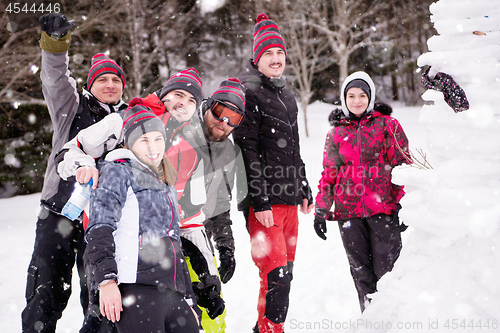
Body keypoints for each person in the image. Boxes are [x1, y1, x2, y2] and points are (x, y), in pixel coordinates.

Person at [57, 73, 247, 333]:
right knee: (102, 319)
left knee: (203, 317)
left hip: (161, 258)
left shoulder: (189, 142)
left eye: (191, 99)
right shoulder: (123, 121)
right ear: (164, 93)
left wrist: (206, 275)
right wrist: (86, 166)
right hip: (113, 248)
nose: (183, 103)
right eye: (178, 95)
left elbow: (190, 215)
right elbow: (69, 151)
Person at [22, 13, 128, 333]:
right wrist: (55, 45)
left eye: (116, 80)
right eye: (102, 79)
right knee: (45, 296)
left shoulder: (129, 120)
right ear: (91, 85)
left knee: (100, 303)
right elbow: (55, 78)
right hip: (60, 214)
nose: (110, 84)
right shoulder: (73, 106)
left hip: (102, 222)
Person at [84, 100, 199, 332]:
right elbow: (100, 227)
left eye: (158, 138)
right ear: (130, 143)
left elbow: (173, 242)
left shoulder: (163, 181)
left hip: (171, 292)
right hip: (137, 290)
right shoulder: (118, 171)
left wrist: (188, 300)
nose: (153, 146)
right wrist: (106, 282)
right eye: (144, 140)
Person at [232, 13, 314, 333]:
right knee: (275, 276)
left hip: (289, 202)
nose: (276, 59)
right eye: (269, 53)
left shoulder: (287, 96)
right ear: (257, 58)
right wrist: (260, 200)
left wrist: (304, 186)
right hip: (263, 206)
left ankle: (263, 329)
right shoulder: (248, 93)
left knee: (282, 276)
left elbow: (293, 149)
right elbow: (246, 149)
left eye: (280, 53)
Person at [313, 71, 412, 312]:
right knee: (361, 274)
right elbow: (330, 173)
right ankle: (371, 322)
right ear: (344, 99)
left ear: (371, 97)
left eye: (362, 95)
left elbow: (402, 166)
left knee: (388, 274)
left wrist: (404, 205)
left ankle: (394, 323)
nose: (356, 101)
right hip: (348, 214)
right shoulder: (335, 133)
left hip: (384, 211)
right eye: (351, 96)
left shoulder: (388, 125)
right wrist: (321, 209)